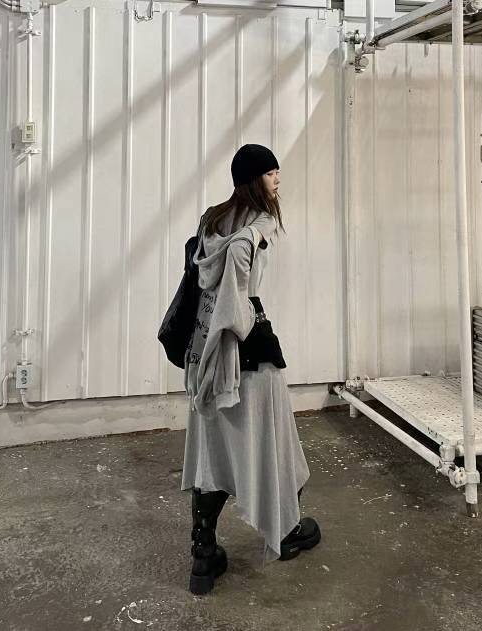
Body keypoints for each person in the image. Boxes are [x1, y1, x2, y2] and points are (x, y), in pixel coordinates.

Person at [181, 144, 321, 595]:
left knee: (213, 453)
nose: (277, 179)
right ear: (254, 179)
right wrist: (242, 324)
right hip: (248, 344)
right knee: (275, 440)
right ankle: (286, 530)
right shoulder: (257, 228)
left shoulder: (211, 221)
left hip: (206, 351)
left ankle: (203, 552)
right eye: (271, 173)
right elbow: (239, 295)